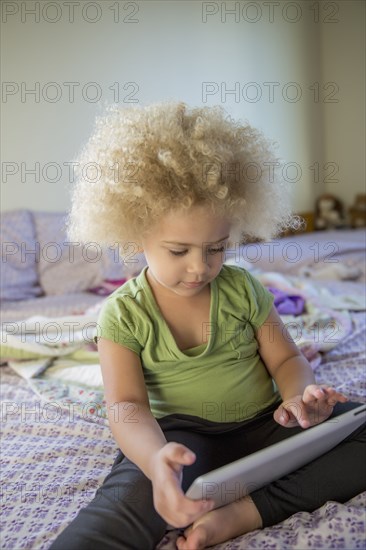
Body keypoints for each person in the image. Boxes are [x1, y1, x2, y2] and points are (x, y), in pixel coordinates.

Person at [50, 102, 365, 550]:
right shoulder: (122, 314)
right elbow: (126, 406)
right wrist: (156, 460)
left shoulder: (244, 290)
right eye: (179, 251)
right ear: (136, 234)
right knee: (108, 523)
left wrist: (300, 398)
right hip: (178, 442)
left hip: (266, 423)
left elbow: (287, 358)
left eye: (216, 248)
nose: (200, 267)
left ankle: (245, 513)